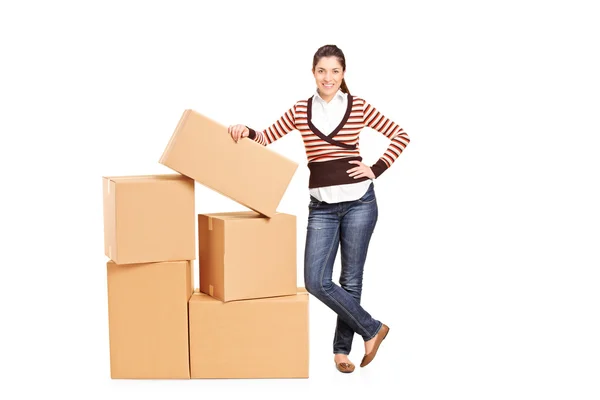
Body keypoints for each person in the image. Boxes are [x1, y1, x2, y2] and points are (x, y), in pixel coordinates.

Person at [228, 44, 410, 373]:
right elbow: (267, 136)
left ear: (343, 74)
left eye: (335, 71)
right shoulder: (301, 110)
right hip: (322, 208)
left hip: (360, 203)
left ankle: (342, 352)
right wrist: (245, 131)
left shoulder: (358, 106)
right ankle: (372, 329)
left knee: (351, 279)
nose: (329, 77)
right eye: (322, 71)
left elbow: (400, 134)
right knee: (315, 280)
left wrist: (377, 168)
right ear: (313, 73)